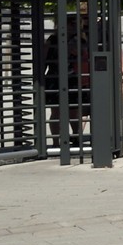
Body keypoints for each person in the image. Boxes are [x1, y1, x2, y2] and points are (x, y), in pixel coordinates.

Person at [41, 13, 91, 148]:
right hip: (54, 80)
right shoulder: (52, 40)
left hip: (73, 79)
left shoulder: (80, 40)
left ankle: (76, 138)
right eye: (71, 23)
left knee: (74, 111)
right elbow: (43, 61)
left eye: (77, 24)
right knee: (56, 112)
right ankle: (56, 142)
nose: (74, 27)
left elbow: (84, 58)